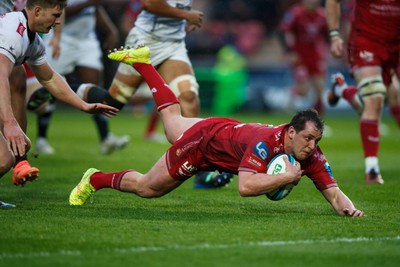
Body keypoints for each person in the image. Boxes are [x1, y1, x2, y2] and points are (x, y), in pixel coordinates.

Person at [69, 46, 365, 217]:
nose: (312, 146)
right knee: (148, 188)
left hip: (223, 129)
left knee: (172, 122)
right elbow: (245, 187)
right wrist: (285, 177)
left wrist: (350, 211)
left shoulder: (310, 153)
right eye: (308, 138)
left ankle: (144, 63)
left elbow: (335, 194)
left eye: (316, 140)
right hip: (203, 145)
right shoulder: (265, 144)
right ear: (290, 132)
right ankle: (95, 178)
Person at [0, 0, 118, 191]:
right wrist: (9, 123)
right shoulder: (13, 32)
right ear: (37, 11)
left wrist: (83, 105)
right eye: (55, 16)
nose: (57, 22)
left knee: (16, 149)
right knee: (5, 158)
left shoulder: (33, 41)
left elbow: (50, 79)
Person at [34, 0, 129, 155]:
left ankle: (105, 138)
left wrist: (110, 29)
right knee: (50, 84)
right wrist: (88, 3)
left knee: (93, 85)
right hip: (61, 39)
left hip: (86, 40)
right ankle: (41, 139)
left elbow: (95, 9)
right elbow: (60, 12)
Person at [325, 0, 400, 184]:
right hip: (366, 43)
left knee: (391, 97)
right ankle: (372, 170)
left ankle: (341, 89)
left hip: (393, 48)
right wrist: (335, 35)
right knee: (374, 96)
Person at [279, 0, 329, 117]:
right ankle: (291, 97)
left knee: (320, 88)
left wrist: (327, 52)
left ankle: (318, 120)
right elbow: (282, 31)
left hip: (316, 56)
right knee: (304, 91)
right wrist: (289, 52)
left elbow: (327, 35)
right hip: (300, 57)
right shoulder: (295, 13)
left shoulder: (323, 15)